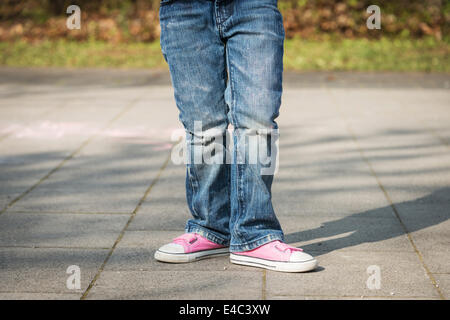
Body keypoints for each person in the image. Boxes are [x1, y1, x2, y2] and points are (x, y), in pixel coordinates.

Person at [154, 0, 317, 272]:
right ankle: (210, 228)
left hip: (253, 6)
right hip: (184, 8)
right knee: (201, 126)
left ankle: (255, 233)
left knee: (258, 122)